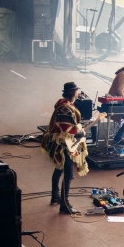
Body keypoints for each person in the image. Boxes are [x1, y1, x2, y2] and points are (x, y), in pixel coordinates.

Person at [41, 82, 90, 215]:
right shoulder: (66, 109)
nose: (78, 93)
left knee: (59, 169)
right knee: (68, 174)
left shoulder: (63, 105)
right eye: (77, 91)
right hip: (63, 146)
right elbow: (69, 131)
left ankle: (55, 196)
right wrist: (82, 133)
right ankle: (65, 204)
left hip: (59, 144)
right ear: (73, 92)